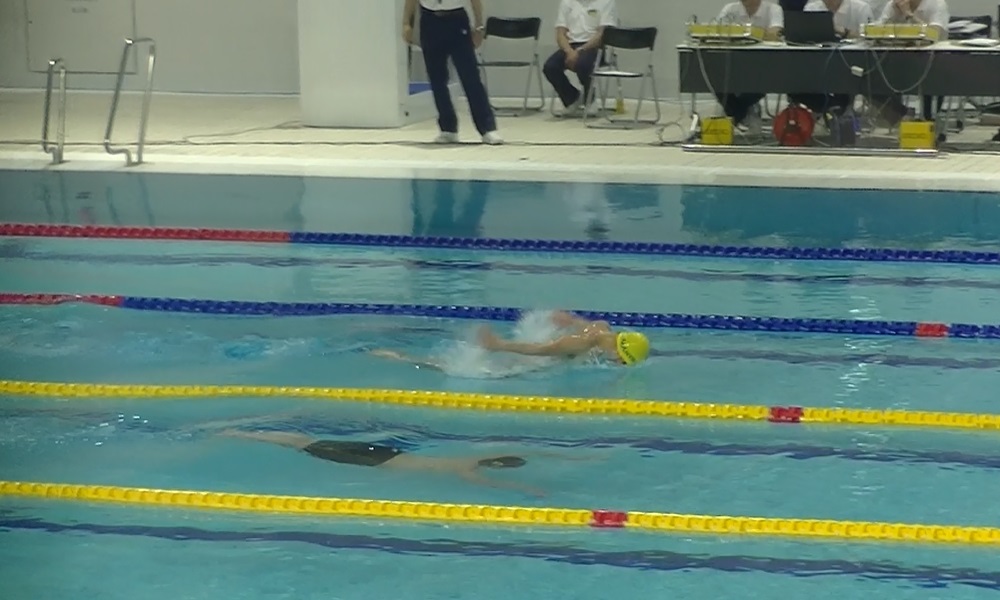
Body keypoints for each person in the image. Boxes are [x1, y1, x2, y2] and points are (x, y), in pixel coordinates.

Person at [217, 429, 546, 497]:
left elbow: (515, 453)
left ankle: (245, 433)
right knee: (307, 448)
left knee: (305, 441)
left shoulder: (469, 458)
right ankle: (243, 435)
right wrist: (527, 490)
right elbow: (489, 484)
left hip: (384, 452)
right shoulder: (466, 469)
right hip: (378, 464)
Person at [371, 310, 651, 369]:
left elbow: (565, 317)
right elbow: (540, 350)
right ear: (620, 350)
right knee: (446, 366)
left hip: (539, 349)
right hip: (524, 356)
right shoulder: (579, 344)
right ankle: (400, 357)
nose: (617, 364)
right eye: (621, 361)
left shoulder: (601, 328)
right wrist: (499, 345)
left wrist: (554, 320)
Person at [402, 0, 503, 145]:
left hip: (456, 19)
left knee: (470, 76)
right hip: (429, 20)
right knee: (437, 79)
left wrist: (479, 26)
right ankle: (448, 128)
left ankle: (487, 128)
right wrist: (406, 23)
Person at [787, 0, 874, 115]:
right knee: (796, 84)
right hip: (818, 64)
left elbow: (869, 37)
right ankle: (831, 109)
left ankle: (839, 109)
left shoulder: (861, 8)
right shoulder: (812, 7)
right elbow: (805, 36)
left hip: (852, 65)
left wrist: (843, 31)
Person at [871, 0, 949, 125]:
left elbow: (935, 33)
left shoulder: (937, 4)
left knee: (931, 81)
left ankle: (928, 120)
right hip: (897, 60)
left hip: (932, 60)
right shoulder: (893, 5)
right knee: (871, 76)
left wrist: (909, 15)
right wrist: (892, 17)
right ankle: (901, 114)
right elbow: (876, 31)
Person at [715, 1, 785, 132]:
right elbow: (718, 32)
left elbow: (774, 34)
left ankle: (734, 115)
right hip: (734, 62)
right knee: (714, 77)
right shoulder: (730, 9)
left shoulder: (773, 9)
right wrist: (759, 33)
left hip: (764, 63)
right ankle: (744, 111)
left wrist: (740, 32)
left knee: (765, 79)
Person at [545, 0, 618, 117]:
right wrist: (569, 51)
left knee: (582, 64)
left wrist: (580, 50)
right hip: (570, 46)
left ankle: (590, 99)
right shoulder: (567, 2)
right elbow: (560, 34)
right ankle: (572, 98)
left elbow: (602, 34)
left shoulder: (606, 2)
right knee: (550, 67)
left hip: (594, 46)